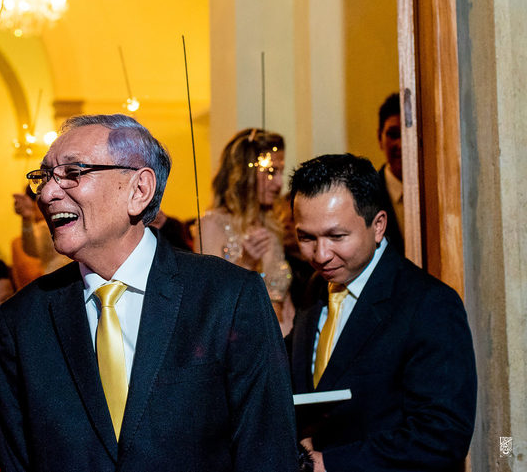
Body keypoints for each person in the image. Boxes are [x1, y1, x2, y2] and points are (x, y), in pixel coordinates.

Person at [0, 114, 299, 472]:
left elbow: (267, 453)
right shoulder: (23, 320)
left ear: (140, 190)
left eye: (73, 173)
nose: (47, 193)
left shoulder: (227, 297)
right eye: (43, 178)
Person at [287, 154, 476, 471]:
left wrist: (331, 463)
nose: (320, 255)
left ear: (378, 226)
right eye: (306, 237)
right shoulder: (316, 289)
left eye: (337, 236)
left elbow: (443, 436)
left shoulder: (429, 304)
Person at [194, 128, 295, 333]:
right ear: (244, 174)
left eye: (280, 172)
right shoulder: (212, 224)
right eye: (270, 172)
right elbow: (208, 304)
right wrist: (246, 263)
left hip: (285, 346)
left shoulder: (273, 225)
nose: (279, 183)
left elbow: (285, 300)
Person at [11, 186, 69, 288]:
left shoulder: (51, 223)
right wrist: (27, 219)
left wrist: (27, 219)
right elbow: (32, 249)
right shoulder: (43, 227)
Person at [376, 93, 405, 254]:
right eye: (393, 135)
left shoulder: (434, 192)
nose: (400, 144)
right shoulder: (368, 195)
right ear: (379, 138)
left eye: (407, 135)